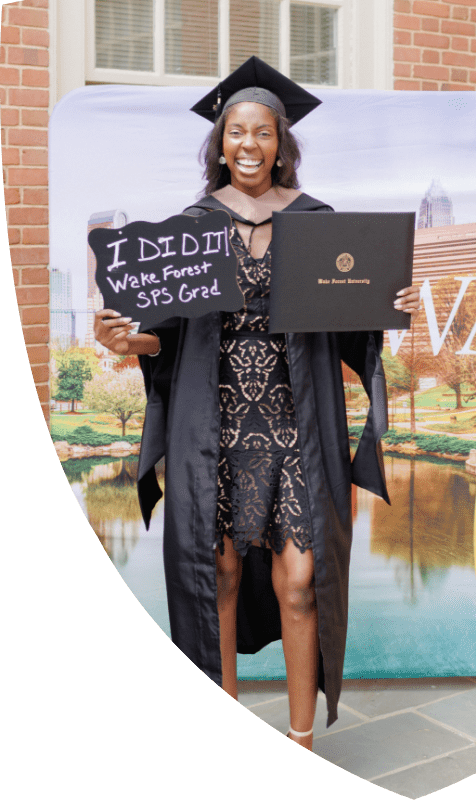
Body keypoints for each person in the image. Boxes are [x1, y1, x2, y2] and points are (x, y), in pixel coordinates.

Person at [94, 57, 420, 751]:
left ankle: (300, 743)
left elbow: (351, 325)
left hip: (297, 428)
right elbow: (164, 341)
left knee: (302, 580)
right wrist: (127, 338)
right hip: (214, 429)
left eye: (262, 132)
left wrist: (390, 305)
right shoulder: (191, 226)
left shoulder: (317, 224)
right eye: (235, 132)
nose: (248, 144)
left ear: (281, 143)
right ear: (220, 143)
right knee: (217, 575)